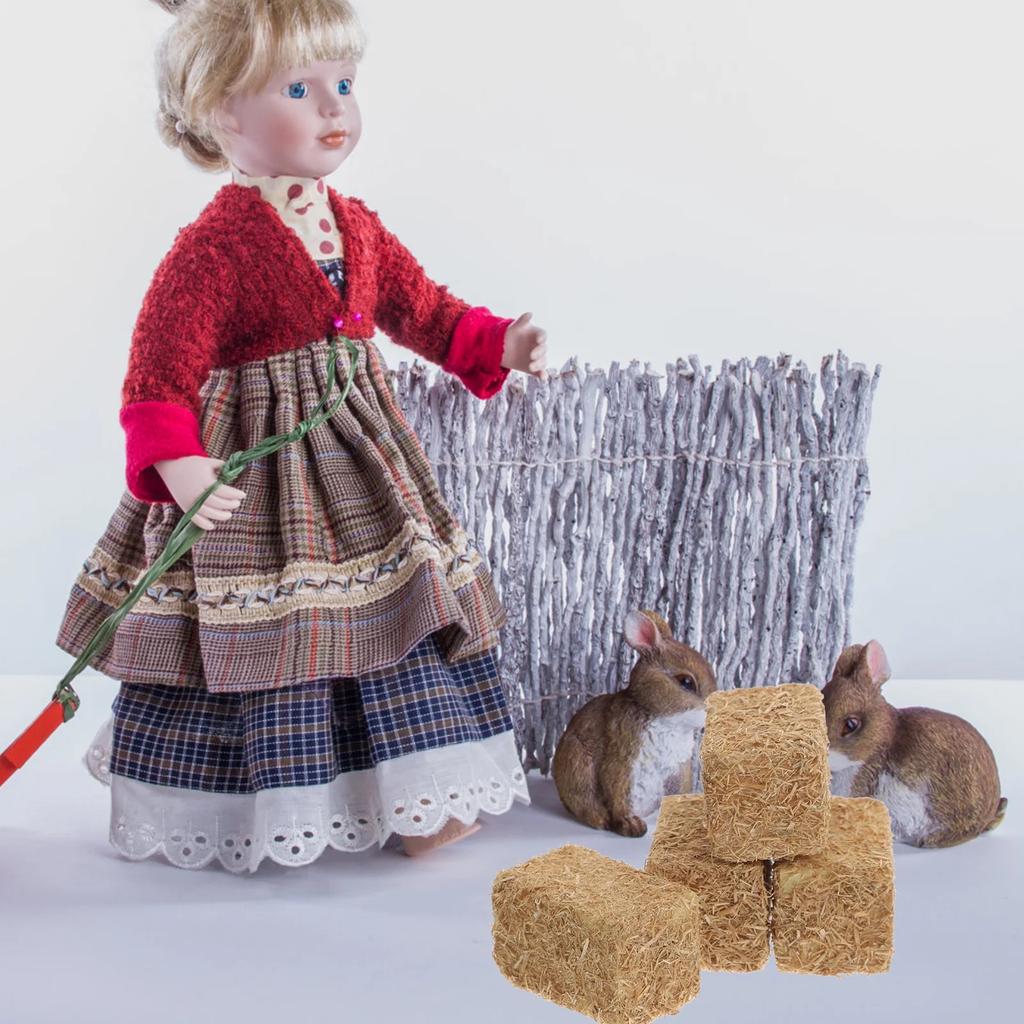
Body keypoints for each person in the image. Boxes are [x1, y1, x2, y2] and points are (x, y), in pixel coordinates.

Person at [57, 0, 547, 872]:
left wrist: (495, 342)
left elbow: (423, 310)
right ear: (221, 111)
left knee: (394, 607)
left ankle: (418, 800)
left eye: (344, 84)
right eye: (299, 88)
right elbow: (158, 372)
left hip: (359, 465)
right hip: (258, 478)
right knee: (267, 627)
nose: (334, 109)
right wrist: (179, 464)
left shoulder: (355, 224)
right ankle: (262, 803)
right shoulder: (213, 248)